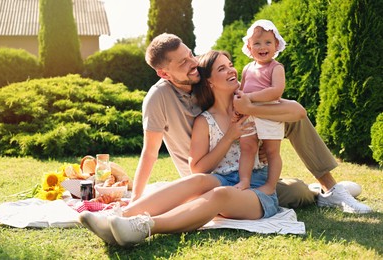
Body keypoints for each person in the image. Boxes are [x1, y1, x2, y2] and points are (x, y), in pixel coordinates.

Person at [132, 33, 371, 213]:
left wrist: (252, 115)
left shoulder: (204, 77)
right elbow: (150, 153)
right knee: (296, 190)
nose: (192, 62)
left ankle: (329, 188)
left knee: (291, 120)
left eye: (191, 54)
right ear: (164, 73)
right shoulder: (158, 98)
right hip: (209, 175)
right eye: (182, 63)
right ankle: (316, 193)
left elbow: (291, 110)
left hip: (244, 166)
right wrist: (135, 199)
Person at [79, 50, 280, 247]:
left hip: (256, 186)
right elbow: (198, 170)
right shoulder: (204, 120)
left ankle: (144, 226)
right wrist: (229, 137)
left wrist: (254, 116)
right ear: (209, 81)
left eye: (230, 65)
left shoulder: (251, 104)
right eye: (222, 68)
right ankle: (118, 217)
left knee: (220, 194)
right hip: (223, 178)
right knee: (198, 180)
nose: (231, 71)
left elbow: (295, 112)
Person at [236, 19, 286, 194]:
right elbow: (241, 90)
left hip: (269, 113)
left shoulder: (276, 67)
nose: (262, 47)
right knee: (247, 148)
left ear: (276, 45)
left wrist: (248, 98)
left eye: (267, 42)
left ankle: (270, 186)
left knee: (272, 152)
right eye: (256, 43)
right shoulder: (247, 68)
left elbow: (276, 92)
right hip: (248, 116)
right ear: (249, 48)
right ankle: (244, 181)